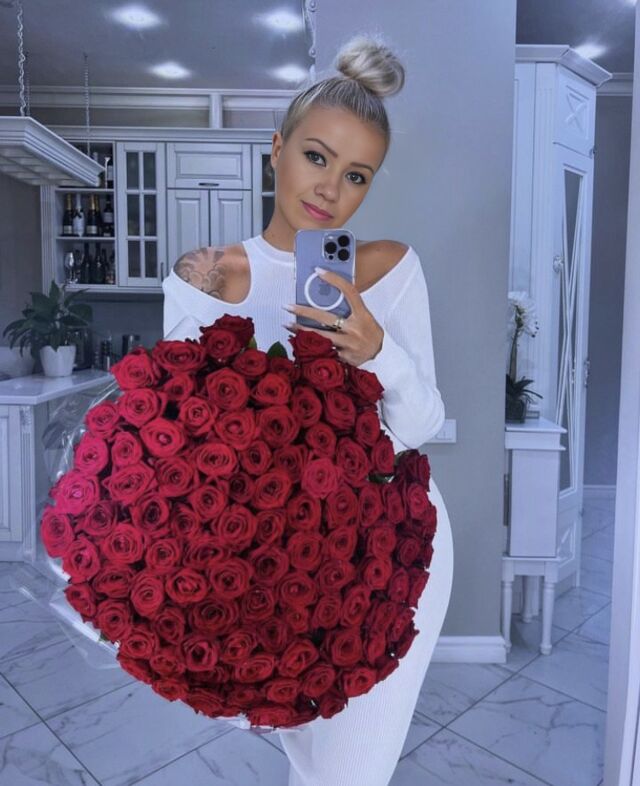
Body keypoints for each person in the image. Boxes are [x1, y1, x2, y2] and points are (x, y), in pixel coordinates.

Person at [162, 32, 454, 786]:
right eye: (316, 157)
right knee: (310, 763)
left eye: (356, 175)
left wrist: (376, 350)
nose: (330, 189)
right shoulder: (206, 275)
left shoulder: (387, 269)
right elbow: (176, 445)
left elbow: (422, 425)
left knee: (349, 776)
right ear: (276, 150)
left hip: (388, 551)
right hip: (268, 562)